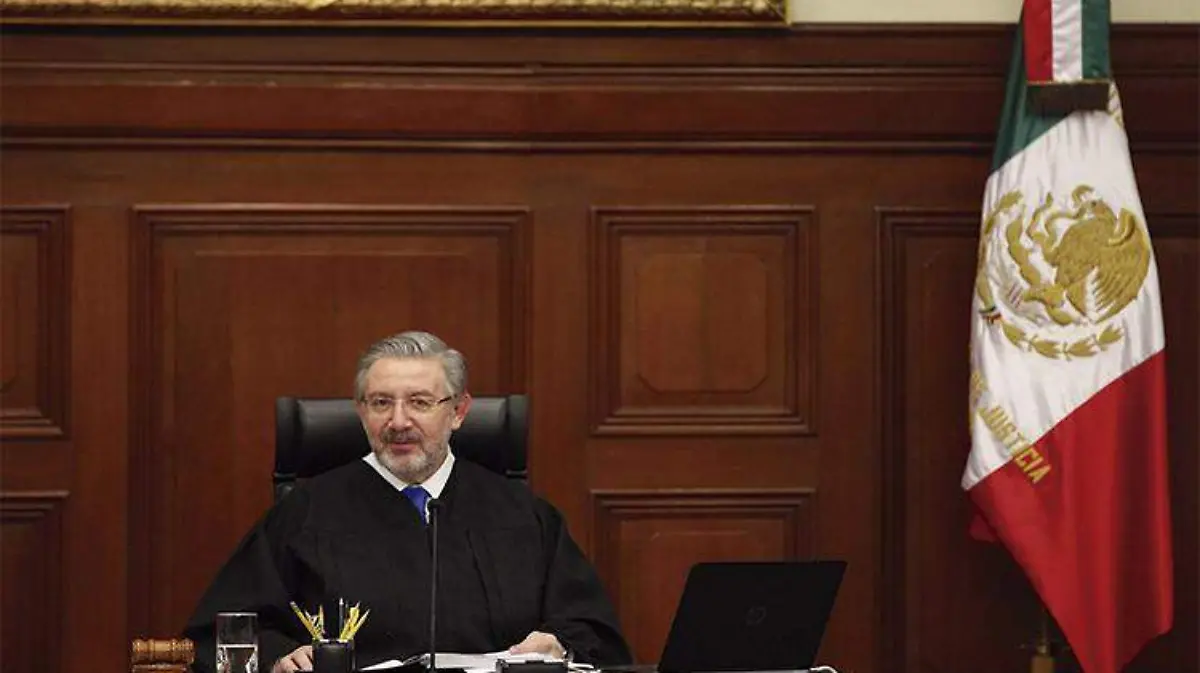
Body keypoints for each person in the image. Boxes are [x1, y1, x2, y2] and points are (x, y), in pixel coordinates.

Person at [184, 331, 632, 672]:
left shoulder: (523, 515)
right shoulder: (306, 513)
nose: (398, 421)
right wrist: (283, 656)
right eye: (381, 403)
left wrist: (557, 645)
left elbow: (593, 631)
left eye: (419, 402)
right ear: (361, 411)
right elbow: (225, 631)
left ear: (458, 412)